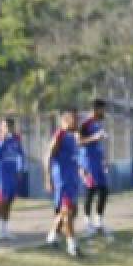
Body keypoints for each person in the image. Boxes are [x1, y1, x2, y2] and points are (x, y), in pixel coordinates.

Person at [44, 110, 81, 257]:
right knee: (67, 212)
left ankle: (52, 235)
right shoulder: (60, 135)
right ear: (65, 121)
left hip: (72, 180)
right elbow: (48, 156)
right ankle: (72, 245)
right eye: (74, 119)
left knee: (72, 210)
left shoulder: (73, 137)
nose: (77, 122)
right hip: (63, 180)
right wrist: (48, 178)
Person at [77, 98, 111, 237]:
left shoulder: (98, 123)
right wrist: (94, 138)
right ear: (96, 109)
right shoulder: (85, 124)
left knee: (104, 190)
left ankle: (99, 222)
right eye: (102, 109)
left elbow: (99, 144)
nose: (104, 112)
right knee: (90, 190)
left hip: (98, 162)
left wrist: (104, 159)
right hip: (88, 162)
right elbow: (78, 141)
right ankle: (87, 223)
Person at [0, 117, 25, 240]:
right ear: (0, 126)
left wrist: (20, 168)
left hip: (12, 173)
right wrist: (2, 141)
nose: (7, 128)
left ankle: (4, 228)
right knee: (1, 200)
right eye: (5, 126)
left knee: (9, 201)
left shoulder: (15, 138)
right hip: (1, 173)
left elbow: (20, 153)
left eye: (10, 126)